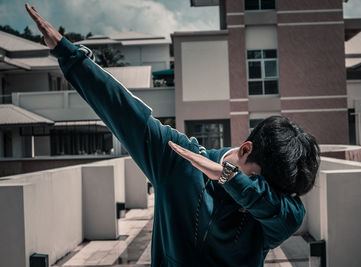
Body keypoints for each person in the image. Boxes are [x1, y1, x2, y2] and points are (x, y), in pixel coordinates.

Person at [25, 3, 320, 266]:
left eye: (267, 192)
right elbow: (123, 112)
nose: (254, 197)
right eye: (255, 180)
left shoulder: (269, 214)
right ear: (245, 149)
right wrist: (71, 57)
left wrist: (229, 177)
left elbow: (291, 217)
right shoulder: (178, 161)